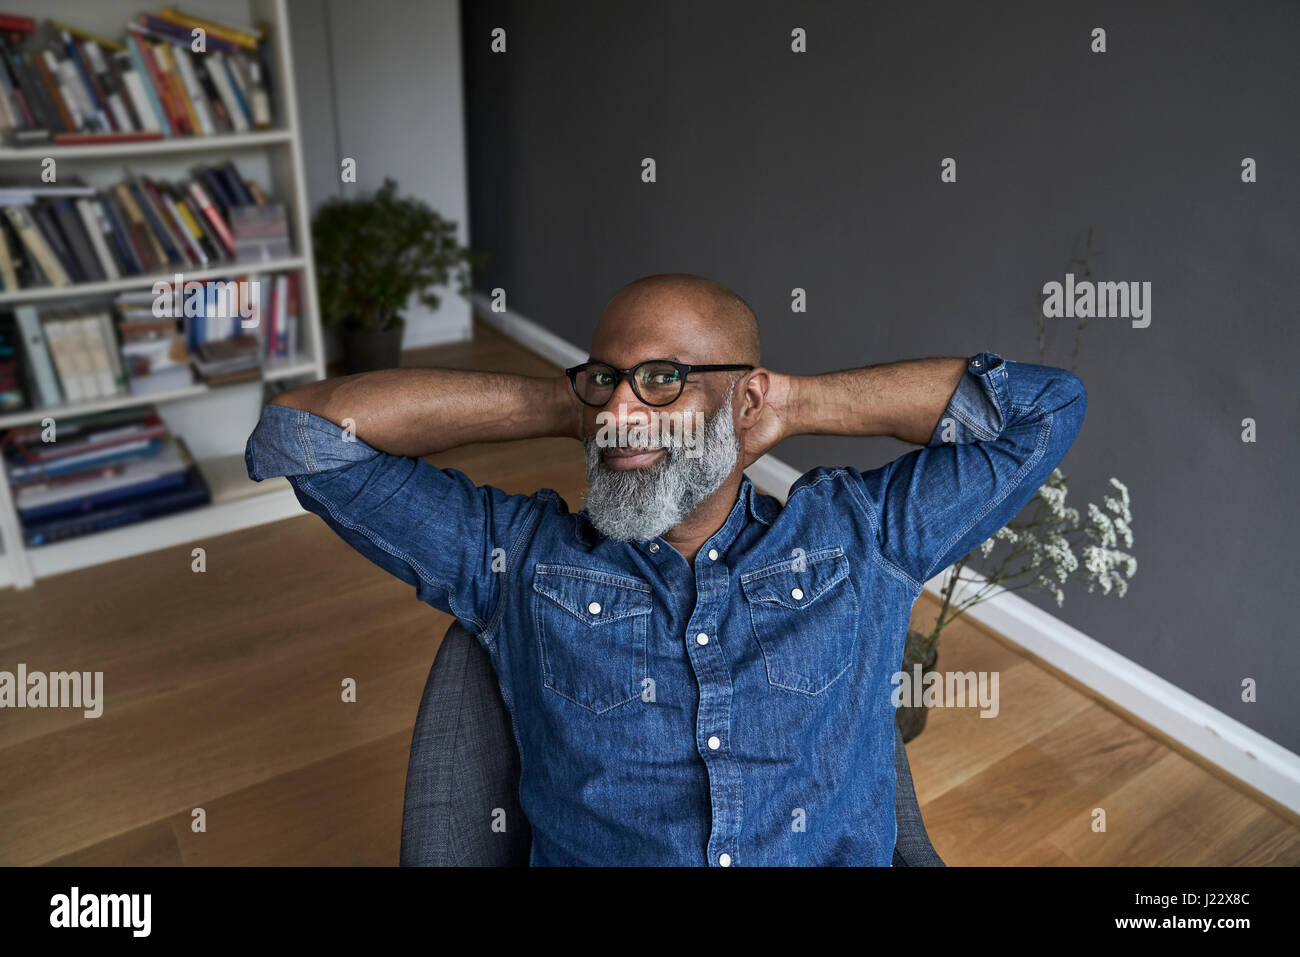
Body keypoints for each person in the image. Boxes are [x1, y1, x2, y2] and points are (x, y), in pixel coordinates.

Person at [244, 272, 1086, 865]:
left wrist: (796, 402)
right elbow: (300, 434)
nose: (619, 407)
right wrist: (562, 405)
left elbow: (1042, 406)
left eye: (661, 379)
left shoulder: (860, 539)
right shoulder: (518, 559)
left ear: (744, 400)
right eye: (607, 378)